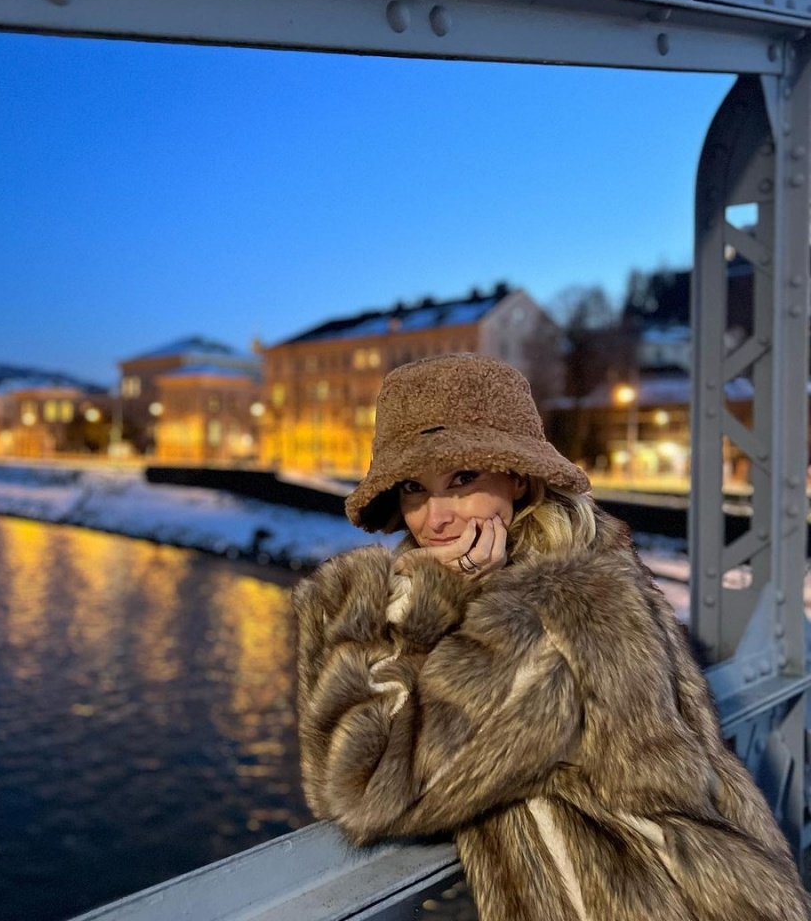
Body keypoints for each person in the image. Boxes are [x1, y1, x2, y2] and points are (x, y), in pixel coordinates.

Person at [292, 354, 810, 921]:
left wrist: (384, 604)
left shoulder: (552, 618)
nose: (435, 517)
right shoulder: (575, 570)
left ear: (516, 478)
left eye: (463, 479)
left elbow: (362, 787)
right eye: (414, 488)